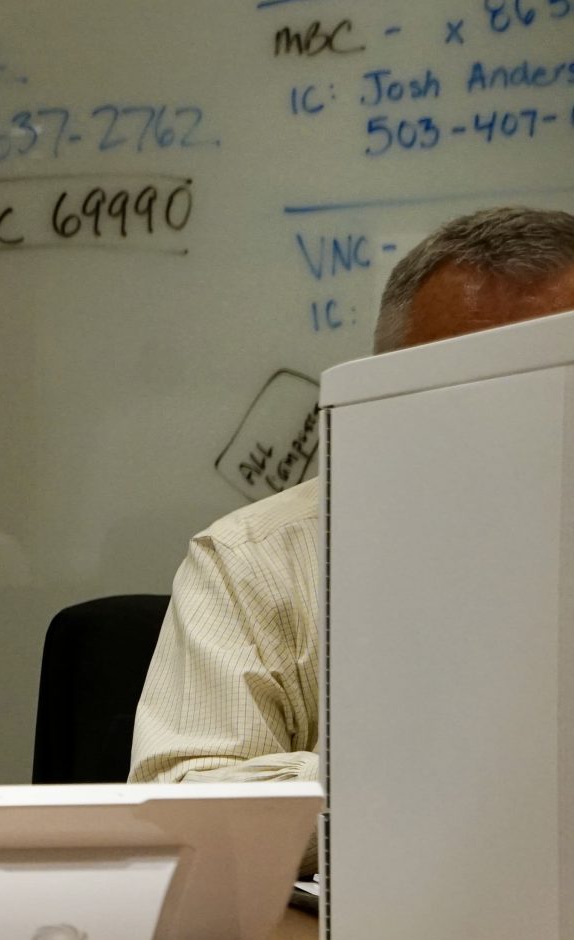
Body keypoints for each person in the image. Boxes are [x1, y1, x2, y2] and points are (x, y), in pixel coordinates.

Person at [130, 205, 574, 809]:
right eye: (467, 383)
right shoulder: (259, 558)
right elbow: (187, 798)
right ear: (380, 390)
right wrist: (436, 772)